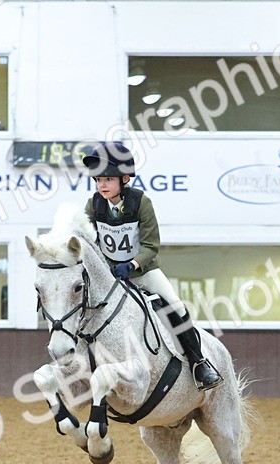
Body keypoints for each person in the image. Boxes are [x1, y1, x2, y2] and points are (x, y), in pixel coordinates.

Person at [81, 142, 222, 390]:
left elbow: (151, 245)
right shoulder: (93, 204)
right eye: (98, 180)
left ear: (124, 178)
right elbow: (87, 240)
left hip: (143, 271)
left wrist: (131, 265)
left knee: (176, 307)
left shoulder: (141, 202)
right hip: (110, 276)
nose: (102, 185)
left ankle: (199, 363)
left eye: (108, 179)